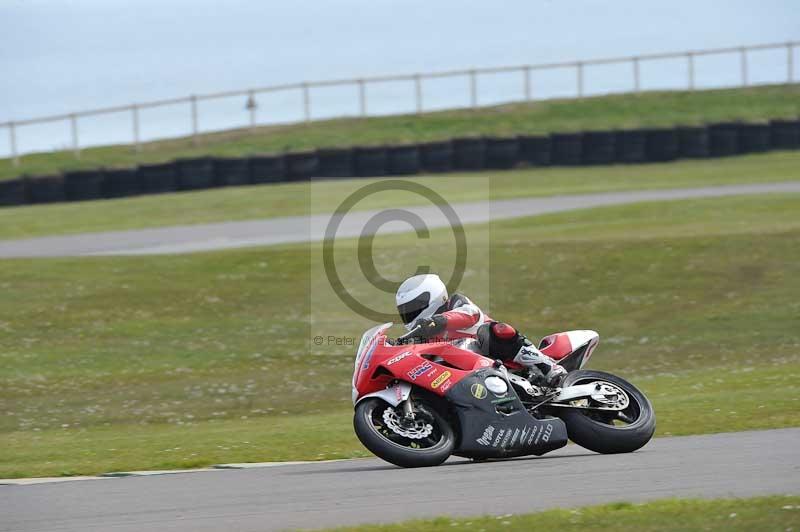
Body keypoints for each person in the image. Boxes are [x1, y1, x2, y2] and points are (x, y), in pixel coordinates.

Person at [395, 273, 566, 386]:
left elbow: (471, 314)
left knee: (494, 331)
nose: (410, 314)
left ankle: (547, 366)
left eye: (413, 308)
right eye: (405, 311)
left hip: (497, 358)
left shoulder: (456, 303)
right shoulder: (422, 335)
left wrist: (438, 321)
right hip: (466, 378)